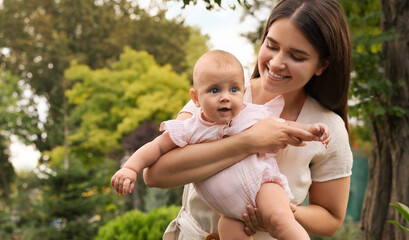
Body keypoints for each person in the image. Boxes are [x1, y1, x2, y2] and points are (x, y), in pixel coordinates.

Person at [142, 0, 353, 239]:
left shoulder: (325, 127)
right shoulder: (218, 97)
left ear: (321, 65)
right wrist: (248, 142)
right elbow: (155, 174)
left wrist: (280, 212)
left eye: (296, 56)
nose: (276, 62)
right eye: (271, 45)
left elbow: (331, 218)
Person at [111, 50, 330, 240]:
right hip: (228, 213)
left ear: (243, 93)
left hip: (263, 186)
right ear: (196, 98)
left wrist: (311, 131)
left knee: (281, 219)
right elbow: (156, 147)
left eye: (233, 90)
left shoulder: (251, 114)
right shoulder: (190, 127)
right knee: (230, 231)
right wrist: (131, 168)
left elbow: (284, 128)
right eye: (215, 90)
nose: (225, 97)